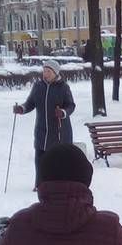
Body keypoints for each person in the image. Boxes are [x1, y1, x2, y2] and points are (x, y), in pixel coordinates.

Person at [12, 59, 76, 188]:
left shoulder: (63, 87)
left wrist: (63, 112)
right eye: (44, 71)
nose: (45, 74)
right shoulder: (38, 86)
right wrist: (21, 109)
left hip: (59, 131)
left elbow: (71, 105)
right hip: (42, 129)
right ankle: (40, 184)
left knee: (58, 159)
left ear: (55, 73)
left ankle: (59, 184)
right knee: (40, 158)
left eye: (48, 71)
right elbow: (30, 103)